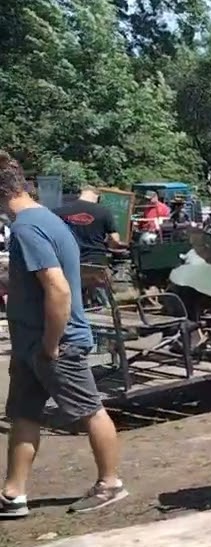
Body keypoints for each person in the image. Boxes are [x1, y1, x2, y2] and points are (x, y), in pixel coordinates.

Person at [0, 152, 127, 519]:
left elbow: (58, 289)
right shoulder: (46, 220)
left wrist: (51, 345)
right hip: (30, 344)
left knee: (89, 409)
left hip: (53, 344)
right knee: (23, 414)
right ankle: (13, 493)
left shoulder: (27, 228)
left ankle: (110, 483)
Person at [54, 185, 123, 265]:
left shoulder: (59, 211)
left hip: (66, 260)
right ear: (97, 196)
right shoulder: (104, 212)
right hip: (95, 260)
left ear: (80, 194)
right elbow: (115, 239)